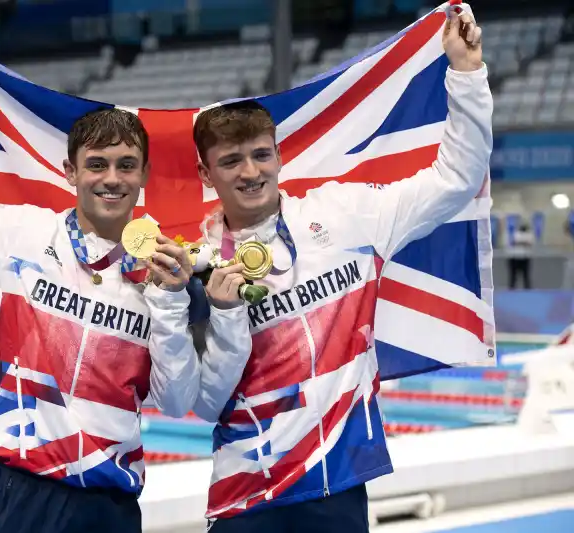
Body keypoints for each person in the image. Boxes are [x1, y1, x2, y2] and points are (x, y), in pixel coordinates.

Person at [0, 27, 250, 533]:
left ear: (143, 176)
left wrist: (169, 302)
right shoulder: (13, 233)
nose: (111, 178)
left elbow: (178, 400)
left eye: (125, 166)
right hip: (22, 489)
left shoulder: (163, 270)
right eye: (96, 165)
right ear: (69, 171)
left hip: (109, 502)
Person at [191, 10, 490, 532]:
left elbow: (457, 178)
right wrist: (224, 311)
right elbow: (206, 401)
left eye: (261, 154)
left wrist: (466, 74)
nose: (251, 171)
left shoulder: (350, 217)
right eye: (232, 160)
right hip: (248, 496)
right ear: (206, 172)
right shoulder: (197, 265)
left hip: (338, 483)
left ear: (280, 156)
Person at [507, 222, 534, 289]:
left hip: (524, 258)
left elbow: (529, 243)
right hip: (514, 257)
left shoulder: (529, 234)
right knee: (513, 276)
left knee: (526, 276)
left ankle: (527, 290)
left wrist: (520, 242)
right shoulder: (513, 233)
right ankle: (512, 289)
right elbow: (513, 242)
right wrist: (521, 242)